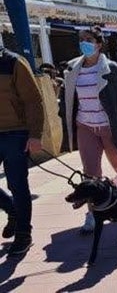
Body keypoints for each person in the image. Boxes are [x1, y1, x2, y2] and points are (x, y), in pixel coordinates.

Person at [61, 29, 117, 233]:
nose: (84, 43)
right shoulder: (72, 68)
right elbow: (68, 98)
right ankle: (93, 213)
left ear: (98, 44)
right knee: (90, 172)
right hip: (85, 125)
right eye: (82, 40)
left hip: (107, 125)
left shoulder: (110, 68)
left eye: (89, 40)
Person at [0, 47, 44, 256]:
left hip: (15, 133)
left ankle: (23, 233)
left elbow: (33, 100)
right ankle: (13, 211)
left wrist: (35, 134)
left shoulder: (14, 62)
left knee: (17, 184)